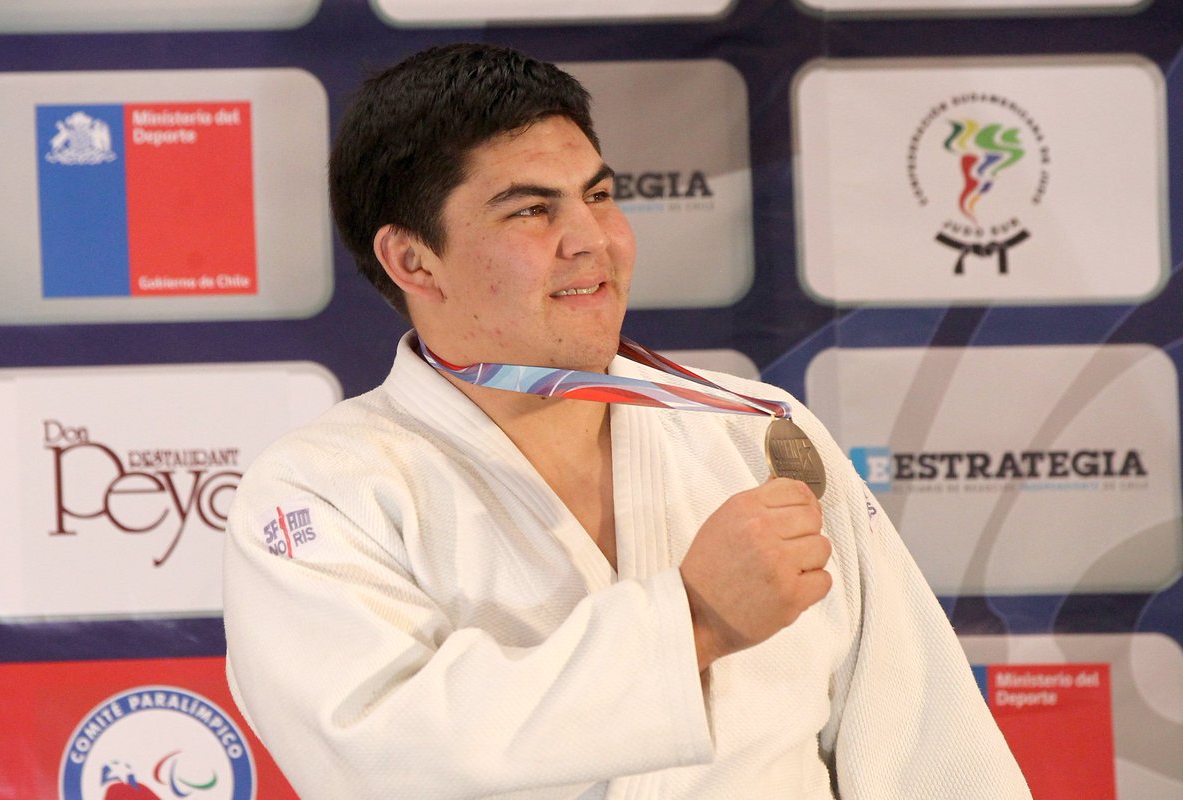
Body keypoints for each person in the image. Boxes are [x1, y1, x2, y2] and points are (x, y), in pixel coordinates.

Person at [223, 42, 1032, 799]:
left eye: (600, 196)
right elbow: (378, 754)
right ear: (413, 259)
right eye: (532, 211)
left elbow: (922, 732)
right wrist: (694, 621)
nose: (593, 241)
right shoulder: (324, 490)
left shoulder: (756, 430)